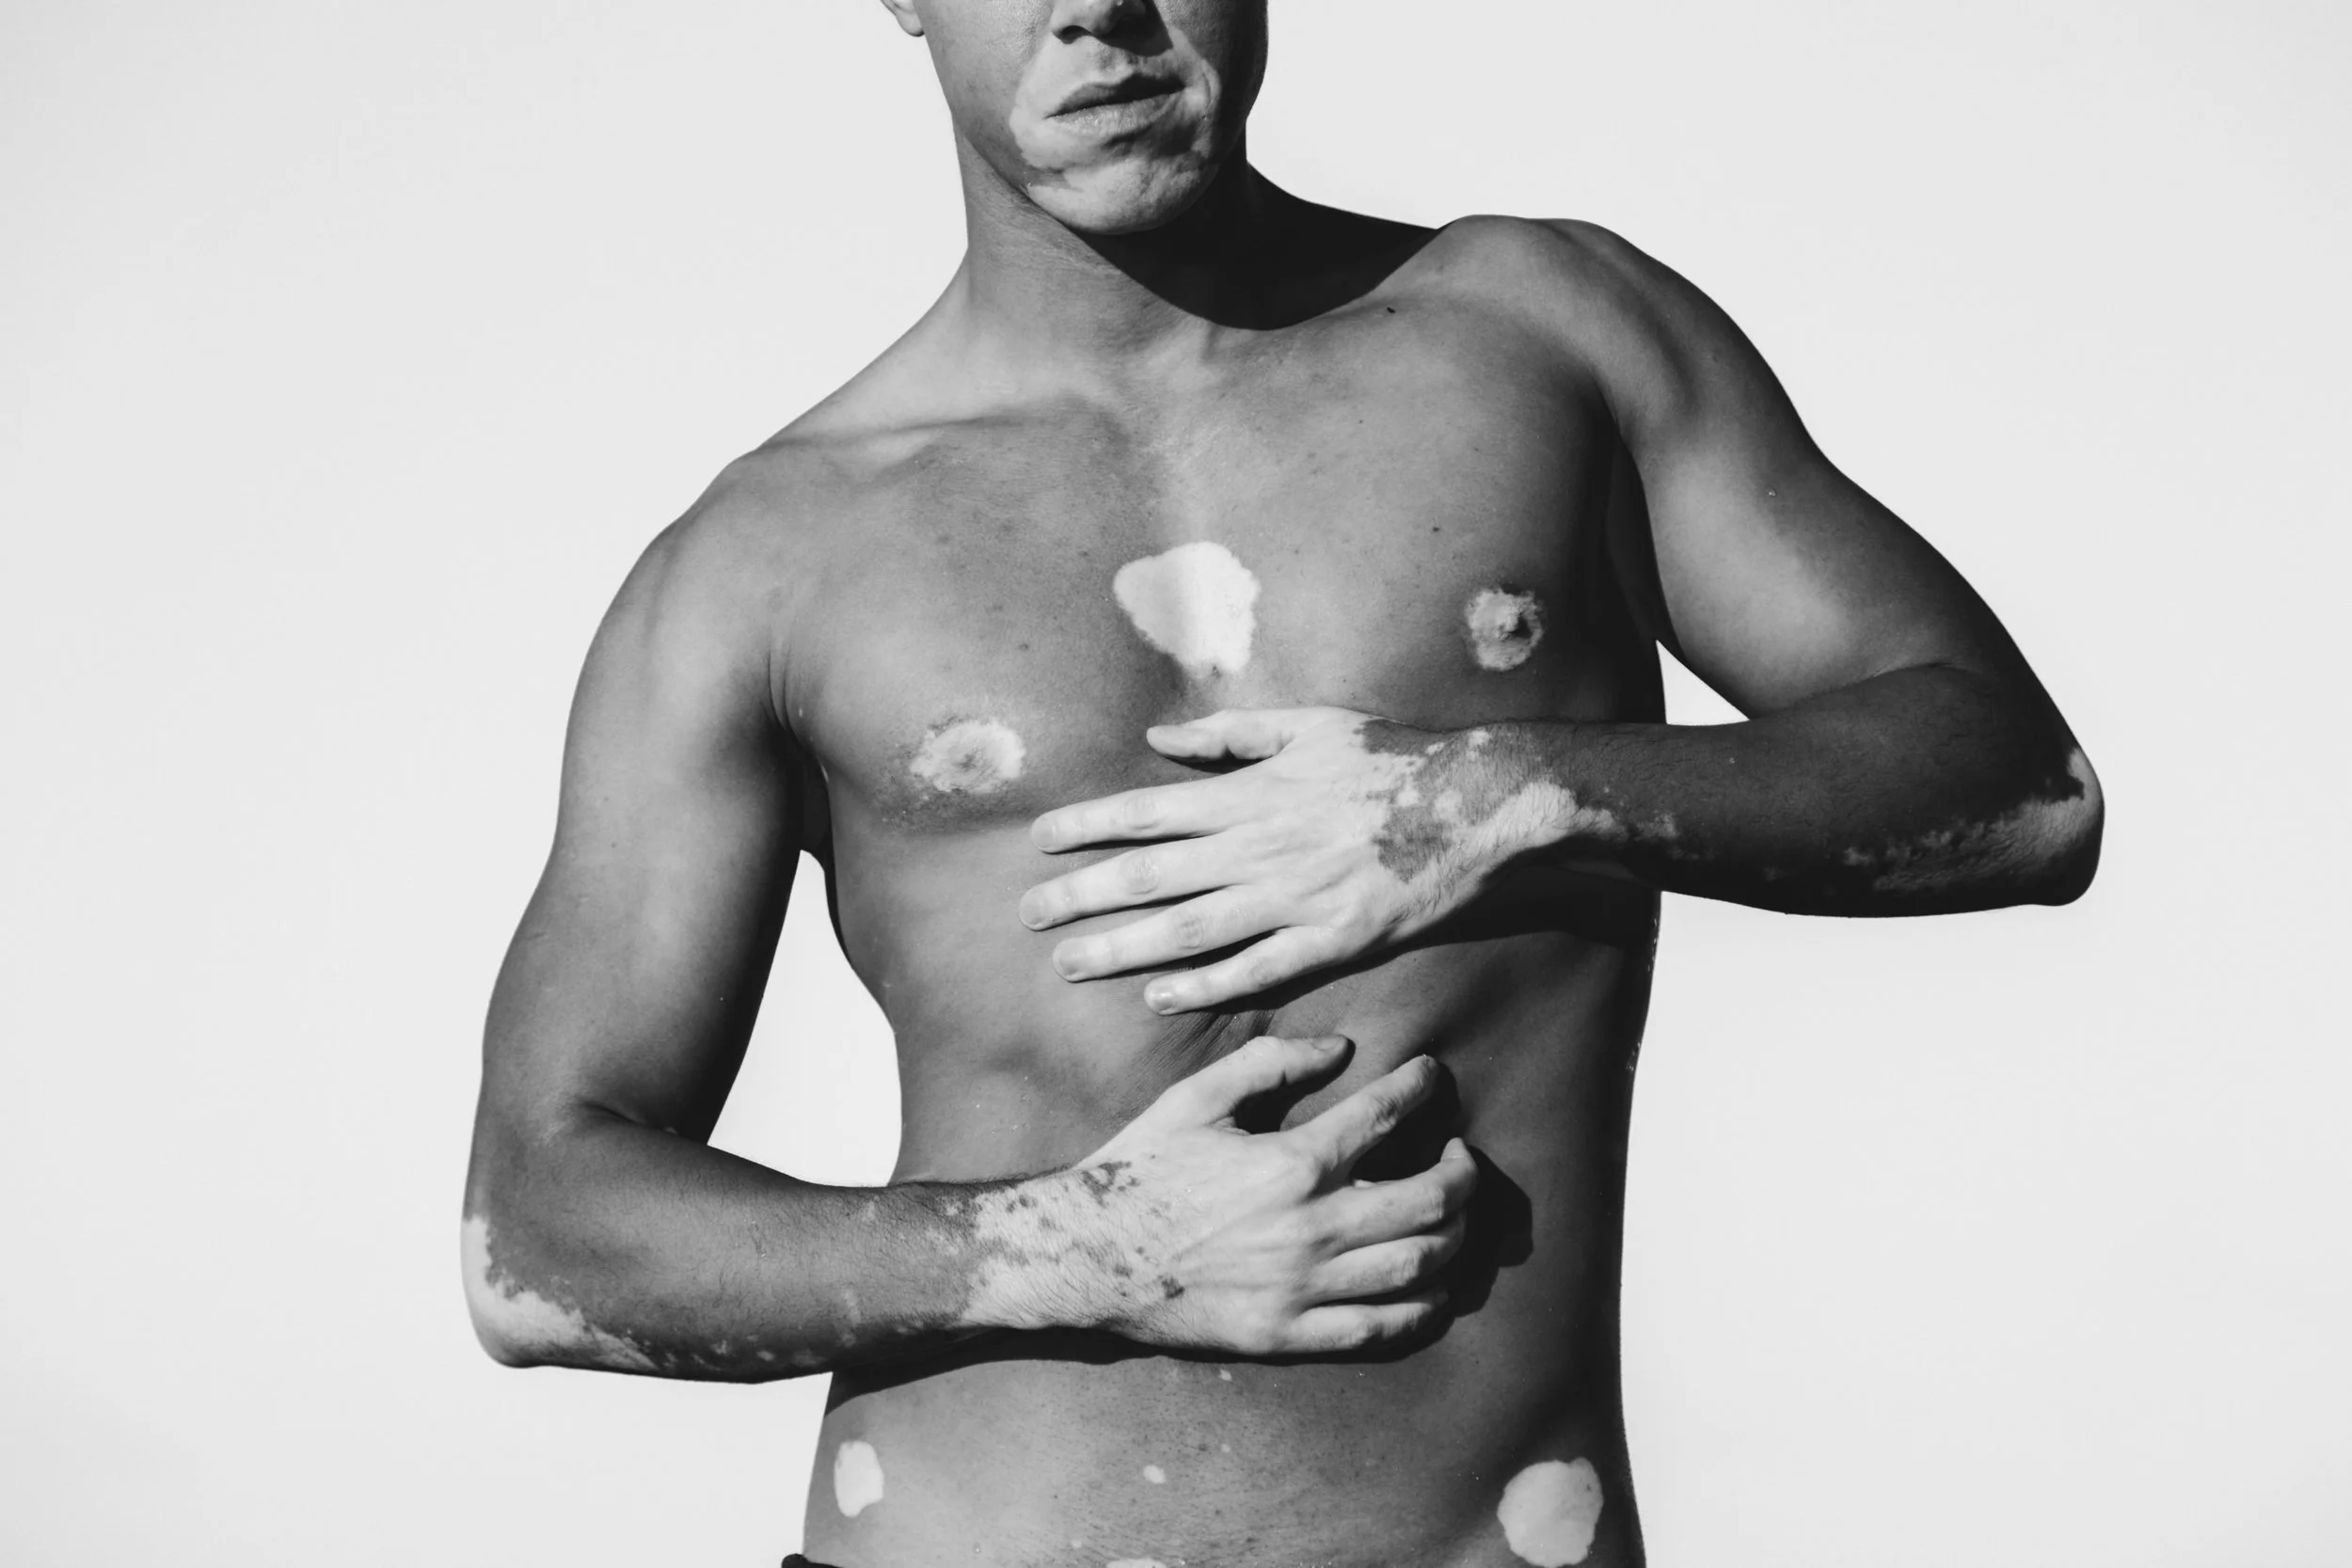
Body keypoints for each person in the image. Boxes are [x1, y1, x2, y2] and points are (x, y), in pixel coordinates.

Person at [461, 2, 2103, 1562]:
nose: (1098, 8)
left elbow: (2020, 783)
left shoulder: (1546, 341)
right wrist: (1080, 1249)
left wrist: (1503, 794)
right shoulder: (762, 561)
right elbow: (537, 1233)